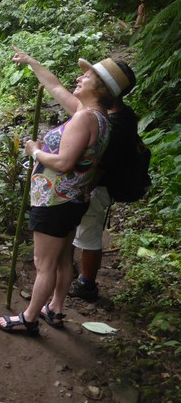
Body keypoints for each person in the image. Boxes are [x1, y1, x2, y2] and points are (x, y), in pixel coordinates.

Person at [0, 49, 135, 336]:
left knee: (43, 264)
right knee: (60, 260)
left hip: (56, 200)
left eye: (87, 76)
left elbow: (63, 162)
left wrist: (35, 151)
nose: (80, 78)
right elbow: (56, 86)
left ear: (101, 87)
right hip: (72, 199)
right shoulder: (96, 116)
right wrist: (33, 62)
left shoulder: (85, 119)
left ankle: (29, 318)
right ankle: (55, 310)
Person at [69, 63, 137, 300]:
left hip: (98, 186)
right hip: (98, 184)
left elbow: (102, 164)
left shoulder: (115, 124)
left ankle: (86, 283)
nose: (81, 78)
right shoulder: (120, 115)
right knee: (83, 228)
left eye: (91, 77)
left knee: (89, 233)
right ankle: (71, 271)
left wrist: (84, 190)